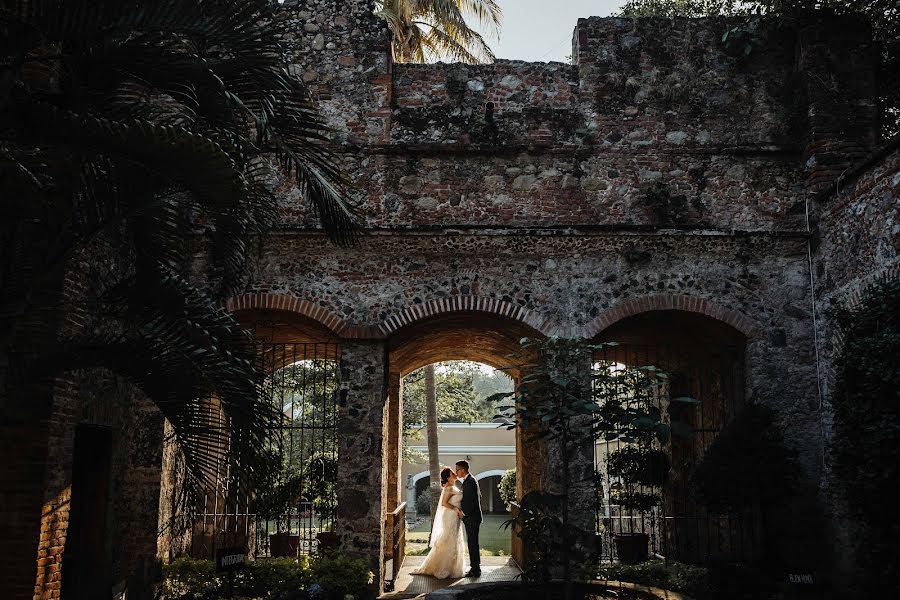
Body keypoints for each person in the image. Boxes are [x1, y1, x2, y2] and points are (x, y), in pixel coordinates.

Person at [412, 467, 466, 579]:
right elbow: (444, 503)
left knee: (455, 539)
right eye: (452, 473)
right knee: (448, 539)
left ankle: (453, 567)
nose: (455, 474)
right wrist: (456, 509)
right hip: (450, 515)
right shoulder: (448, 488)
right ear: (448, 477)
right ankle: (443, 567)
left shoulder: (454, 486)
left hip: (455, 517)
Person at [455, 460, 483, 577]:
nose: (456, 473)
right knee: (472, 543)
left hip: (472, 518)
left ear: (462, 470)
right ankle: (475, 568)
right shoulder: (469, 480)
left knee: (472, 544)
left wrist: (463, 513)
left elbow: (472, 500)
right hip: (472, 518)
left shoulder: (470, 481)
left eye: (457, 470)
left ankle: (475, 570)